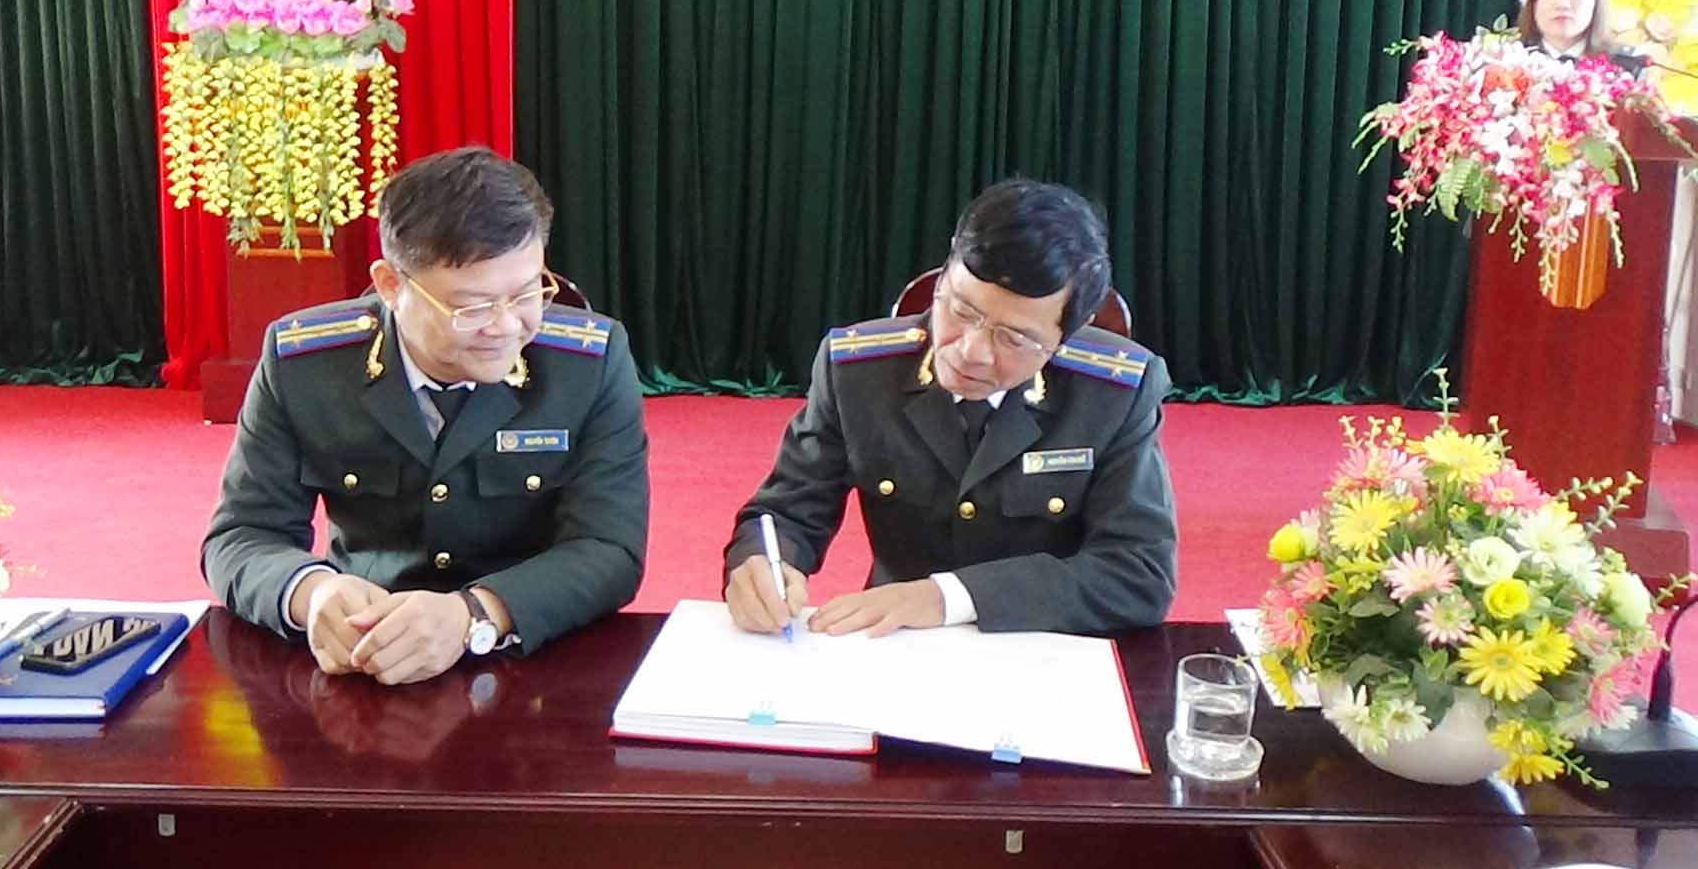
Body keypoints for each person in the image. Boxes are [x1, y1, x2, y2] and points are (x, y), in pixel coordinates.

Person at [202, 147, 649, 685]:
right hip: (362, 653)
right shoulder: (306, 363)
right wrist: (311, 592)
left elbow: (609, 549)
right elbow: (242, 534)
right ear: (392, 285)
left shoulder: (588, 363)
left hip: (532, 659)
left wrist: (476, 614)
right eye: (472, 306)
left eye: (527, 292)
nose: (507, 326)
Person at [723, 179, 1175, 638]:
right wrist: (761, 562)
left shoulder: (1113, 394)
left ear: (1064, 339)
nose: (971, 351)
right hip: (899, 645)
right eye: (961, 310)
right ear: (942, 279)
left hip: (1045, 645)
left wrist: (947, 597)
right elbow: (786, 513)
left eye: (1013, 338)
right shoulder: (858, 372)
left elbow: (1138, 572)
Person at [1517, 0, 1643, 73]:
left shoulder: (1627, 66)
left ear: (1596, 1)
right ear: (1533, 4)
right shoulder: (1511, 62)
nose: (1562, 4)